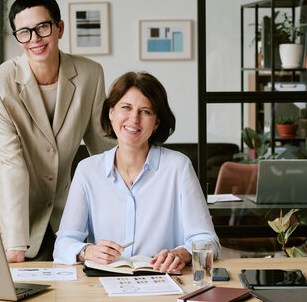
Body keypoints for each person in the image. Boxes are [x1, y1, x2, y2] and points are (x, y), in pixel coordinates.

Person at [0, 0, 115, 262]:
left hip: (57, 203)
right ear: (16, 36)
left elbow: (105, 148)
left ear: (59, 28)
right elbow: (10, 165)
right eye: (24, 32)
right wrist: (14, 243)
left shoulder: (91, 73)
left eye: (42, 27)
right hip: (2, 202)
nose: (34, 39)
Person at [53, 71, 220, 272]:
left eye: (146, 112)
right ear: (111, 112)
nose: (134, 119)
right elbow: (63, 243)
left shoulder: (178, 167)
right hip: (102, 285)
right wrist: (86, 251)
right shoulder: (87, 170)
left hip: (165, 282)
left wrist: (180, 254)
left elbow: (208, 241)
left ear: (157, 122)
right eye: (126, 107)